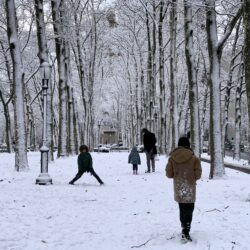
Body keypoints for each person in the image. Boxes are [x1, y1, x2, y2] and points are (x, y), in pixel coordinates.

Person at [166, 137, 201, 242]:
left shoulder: (172, 158)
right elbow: (198, 175)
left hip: (179, 187)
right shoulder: (194, 158)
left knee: (181, 208)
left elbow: (169, 174)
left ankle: (183, 227)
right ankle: (186, 230)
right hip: (190, 187)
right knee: (189, 209)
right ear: (188, 144)